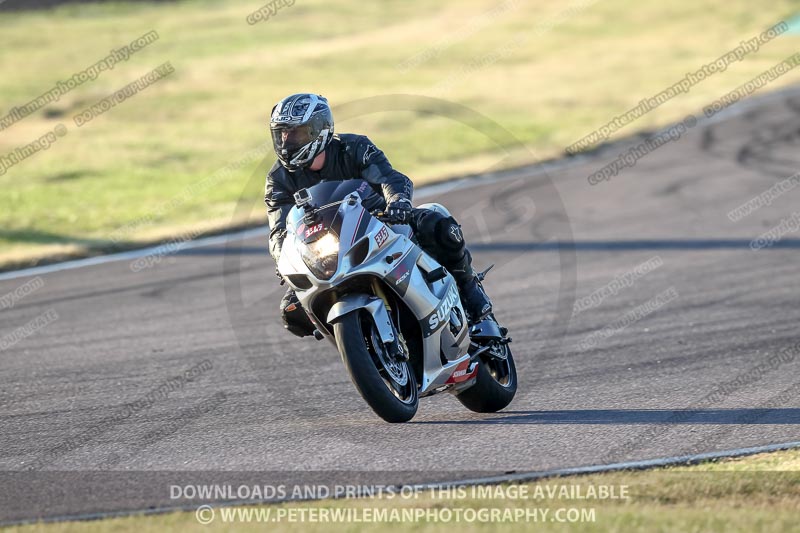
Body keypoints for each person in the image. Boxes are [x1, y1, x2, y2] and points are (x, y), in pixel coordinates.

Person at [265, 93, 491, 337]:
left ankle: (470, 292)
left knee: (438, 224)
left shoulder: (354, 148)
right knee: (291, 311)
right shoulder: (278, 178)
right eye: (282, 134)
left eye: (295, 133)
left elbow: (390, 178)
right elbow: (279, 230)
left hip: (380, 226)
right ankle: (359, 339)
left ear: (319, 130)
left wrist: (398, 201)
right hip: (325, 251)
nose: (286, 142)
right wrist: (282, 259)